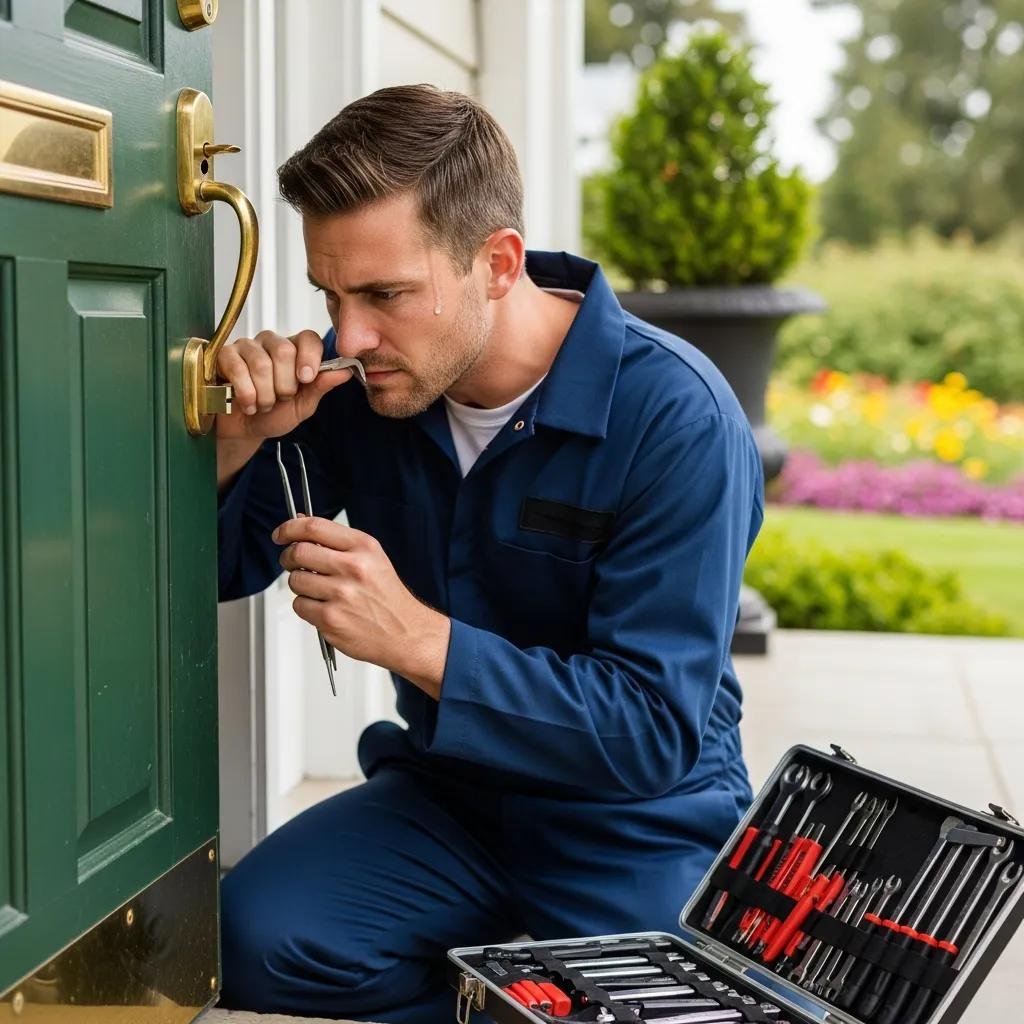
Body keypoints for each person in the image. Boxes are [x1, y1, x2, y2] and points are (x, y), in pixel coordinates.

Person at [215, 84, 763, 1024]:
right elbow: (225, 569)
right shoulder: (365, 387)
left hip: (635, 815)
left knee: (650, 1007)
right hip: (451, 800)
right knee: (247, 940)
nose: (350, 337)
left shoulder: (676, 419)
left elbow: (650, 729)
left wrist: (418, 640)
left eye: (386, 294)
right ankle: (500, 998)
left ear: (498, 263)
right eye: (332, 295)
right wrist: (238, 444)